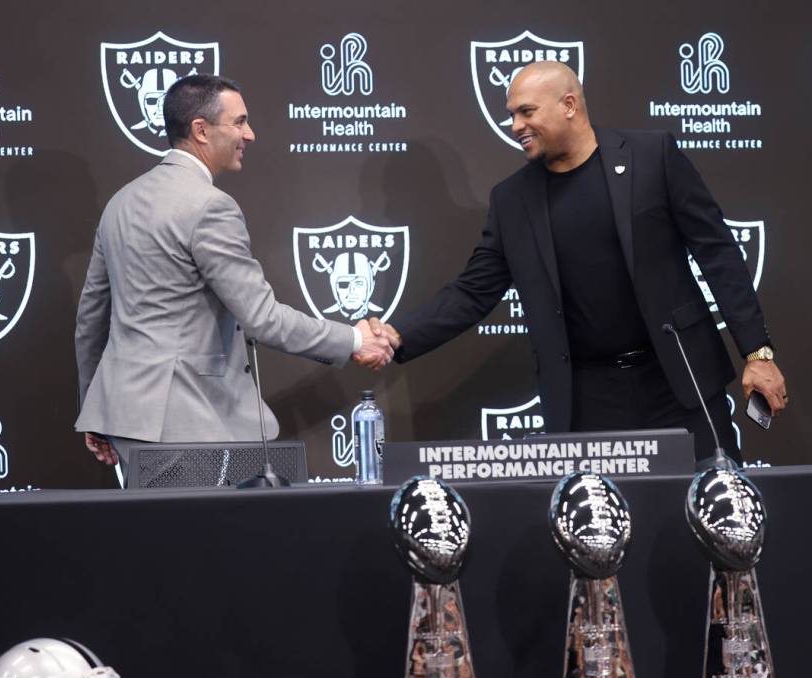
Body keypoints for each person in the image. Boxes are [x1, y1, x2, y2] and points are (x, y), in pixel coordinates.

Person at [373, 61, 786, 462]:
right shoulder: (512, 201)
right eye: (512, 114)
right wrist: (397, 334)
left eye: (526, 112)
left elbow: (718, 254)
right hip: (587, 399)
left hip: (679, 379)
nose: (515, 125)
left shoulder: (651, 157)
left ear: (569, 105)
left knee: (712, 508)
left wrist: (757, 354)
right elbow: (472, 291)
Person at [75, 74, 392, 469]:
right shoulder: (210, 206)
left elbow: (91, 320)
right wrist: (352, 339)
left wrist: (95, 411)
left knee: (152, 532)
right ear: (201, 130)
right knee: (200, 532)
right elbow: (263, 319)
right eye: (239, 122)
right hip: (186, 425)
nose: (251, 134)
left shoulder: (120, 203)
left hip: (123, 418)